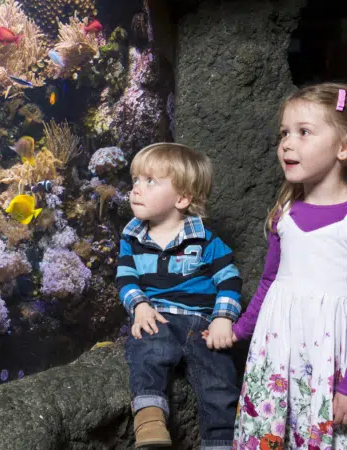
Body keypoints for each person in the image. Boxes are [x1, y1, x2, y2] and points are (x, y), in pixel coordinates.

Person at [228, 82, 347, 448]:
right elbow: (269, 281)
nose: (287, 144)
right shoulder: (285, 213)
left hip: (329, 362)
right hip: (277, 354)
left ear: (343, 147)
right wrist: (236, 332)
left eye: (304, 132)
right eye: (284, 133)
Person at [116, 142, 242, 449]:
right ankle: (149, 420)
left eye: (150, 182)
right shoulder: (131, 238)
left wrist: (224, 319)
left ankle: (222, 443)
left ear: (182, 198)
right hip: (157, 314)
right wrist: (140, 306)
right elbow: (126, 279)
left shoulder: (206, 241)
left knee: (220, 380)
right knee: (148, 351)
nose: (136, 189)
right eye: (135, 180)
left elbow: (230, 279)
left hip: (202, 323)